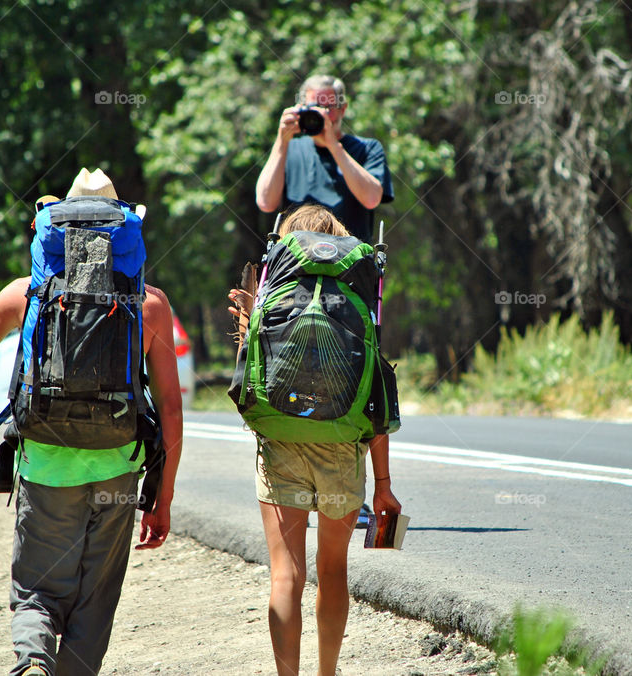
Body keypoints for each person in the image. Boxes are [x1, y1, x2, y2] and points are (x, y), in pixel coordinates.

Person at [0, 168, 183, 676]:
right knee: (95, 604)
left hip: (45, 464)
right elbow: (173, 412)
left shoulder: (24, 293)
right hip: (117, 468)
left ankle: (33, 661)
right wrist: (162, 499)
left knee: (37, 592)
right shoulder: (150, 304)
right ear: (123, 231)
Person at [228, 205, 402, 676]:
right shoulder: (355, 293)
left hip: (281, 443)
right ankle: (327, 673)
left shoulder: (275, 286)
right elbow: (377, 401)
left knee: (286, 575)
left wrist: (247, 323)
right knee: (332, 571)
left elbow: (247, 387)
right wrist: (383, 486)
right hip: (343, 446)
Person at [255, 74, 395, 244]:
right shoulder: (288, 149)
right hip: (296, 257)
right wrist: (281, 140)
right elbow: (265, 202)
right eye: (313, 108)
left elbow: (372, 199)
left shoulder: (367, 149)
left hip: (349, 257)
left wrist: (333, 145)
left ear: (343, 109)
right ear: (301, 109)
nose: (321, 116)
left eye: (328, 108)